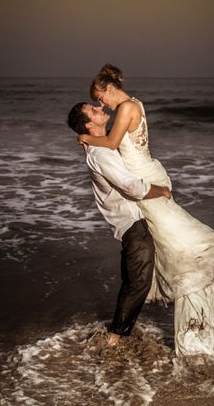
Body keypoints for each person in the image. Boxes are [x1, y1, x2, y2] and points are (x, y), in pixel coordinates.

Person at [77, 64, 214, 356]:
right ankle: (211, 265)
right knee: (170, 236)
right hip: (145, 175)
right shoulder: (132, 104)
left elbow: (113, 142)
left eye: (100, 98)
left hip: (144, 179)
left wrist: (88, 138)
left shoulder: (126, 107)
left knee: (174, 235)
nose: (102, 105)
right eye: (98, 104)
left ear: (109, 88)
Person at [67, 102, 172, 346]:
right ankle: (115, 337)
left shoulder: (100, 147)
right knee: (139, 282)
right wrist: (163, 191)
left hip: (130, 222)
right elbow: (131, 187)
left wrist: (84, 137)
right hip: (132, 223)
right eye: (93, 110)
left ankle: (119, 333)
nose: (99, 107)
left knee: (133, 280)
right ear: (89, 125)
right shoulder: (101, 154)